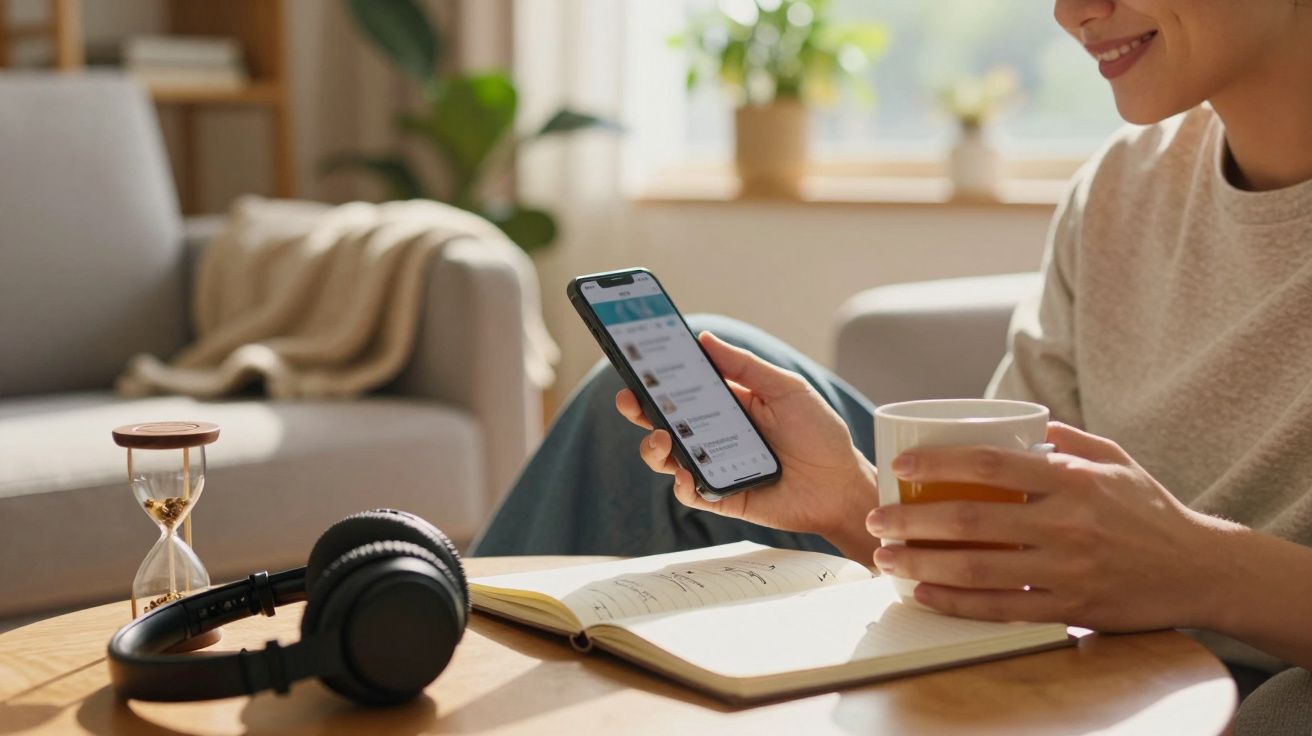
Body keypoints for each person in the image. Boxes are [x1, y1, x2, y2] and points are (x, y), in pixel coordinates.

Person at [474, 1, 1312, 730]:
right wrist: (853, 501)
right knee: (649, 399)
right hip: (1072, 651)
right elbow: (1010, 562)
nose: (1072, 11)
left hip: (1237, 695)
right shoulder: (1126, 188)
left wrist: (1202, 569)